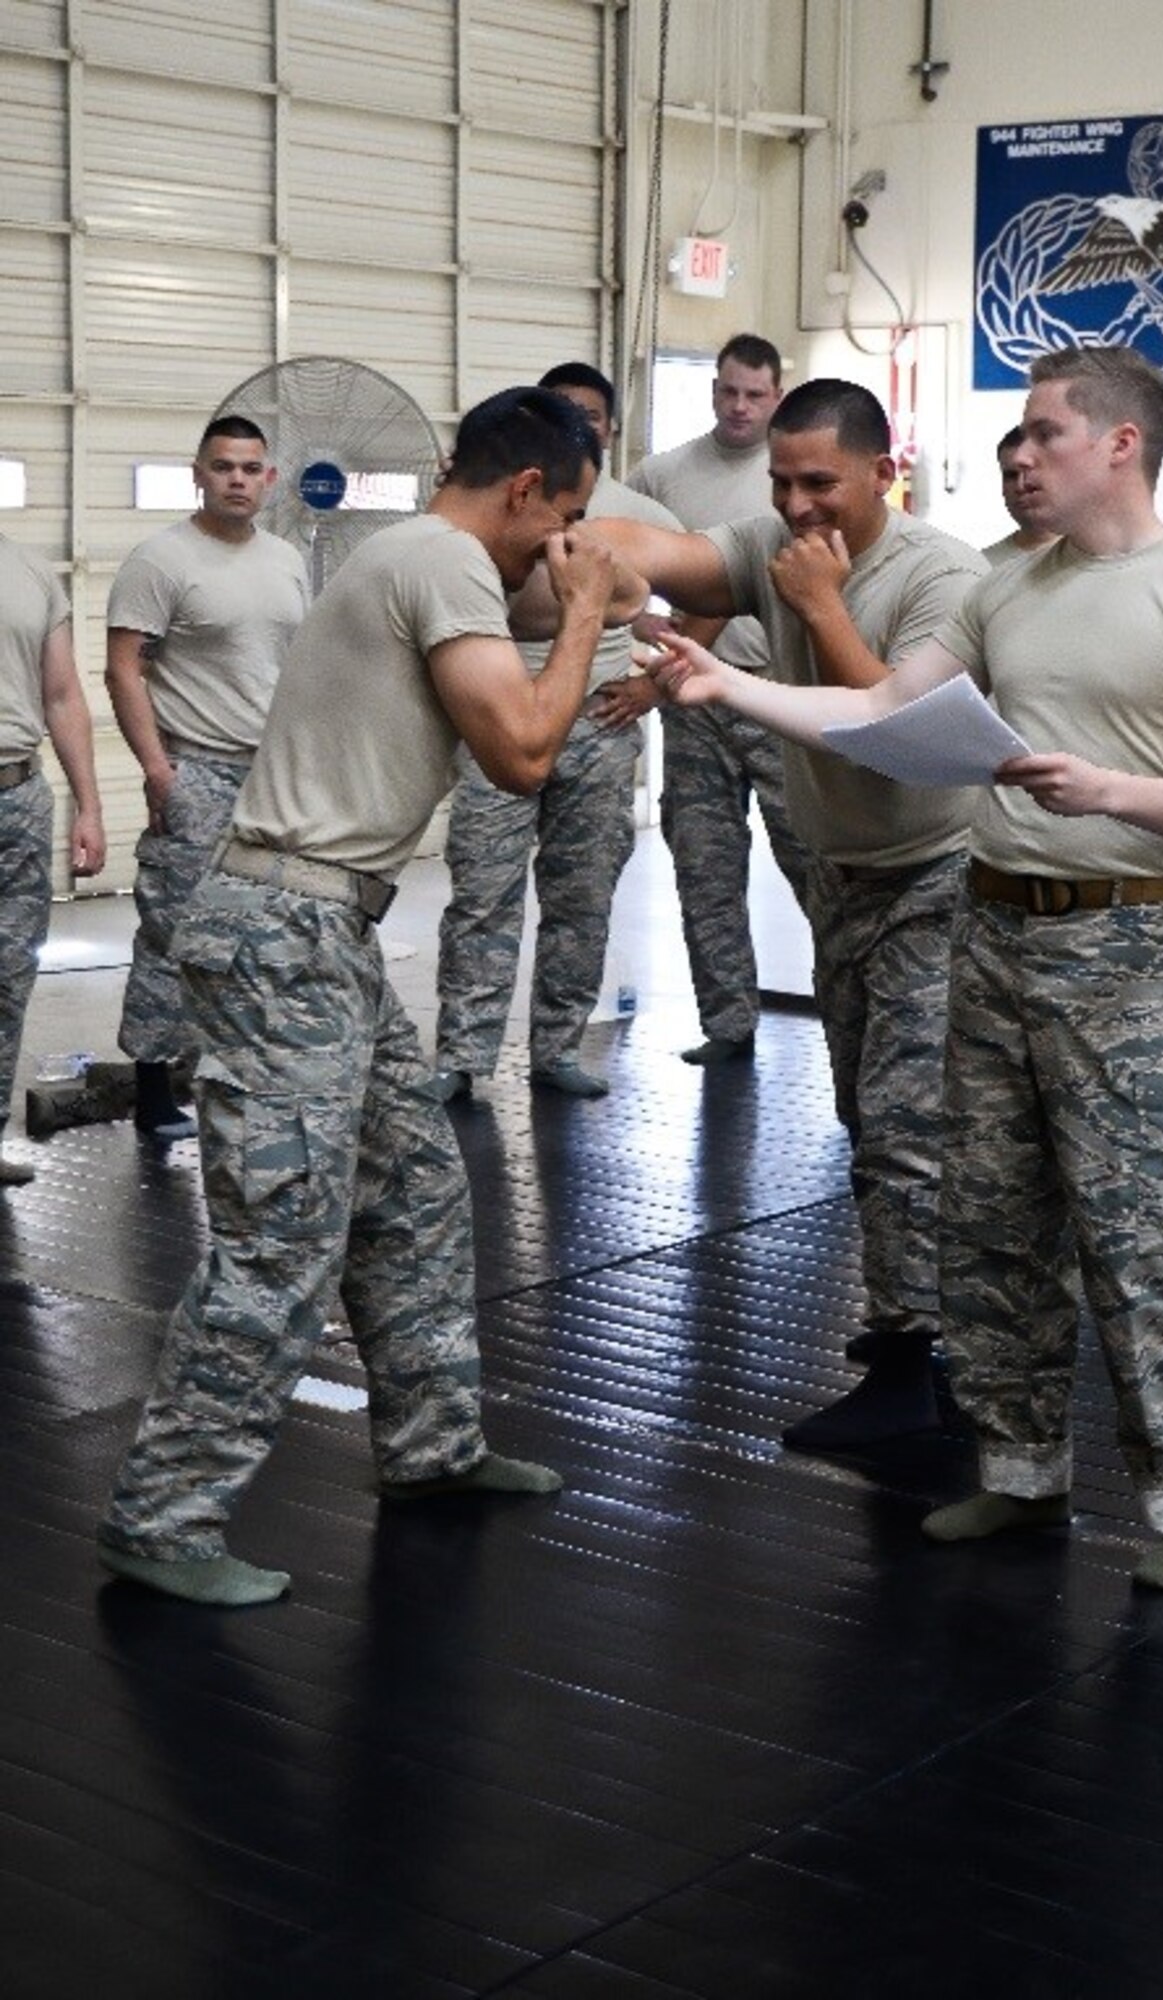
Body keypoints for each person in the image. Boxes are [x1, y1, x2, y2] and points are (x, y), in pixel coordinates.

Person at [648, 345, 1163, 1591]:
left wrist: (1114, 789)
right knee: (989, 1219)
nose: (1019, 455)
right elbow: (881, 707)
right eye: (1020, 436)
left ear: (1117, 444)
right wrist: (725, 681)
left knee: (1148, 1235)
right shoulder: (1002, 587)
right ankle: (1016, 1469)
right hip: (989, 933)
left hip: (1125, 945)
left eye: (1043, 433)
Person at [96, 386, 640, 1607]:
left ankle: (433, 1446)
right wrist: (593, 607)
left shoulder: (416, 556)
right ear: (521, 493)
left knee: (413, 1184)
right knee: (280, 1240)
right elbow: (523, 750)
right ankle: (162, 1517)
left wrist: (607, 586)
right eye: (557, 520)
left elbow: (606, 595)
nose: (553, 550)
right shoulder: (444, 560)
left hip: (319, 926)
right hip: (282, 929)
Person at [590, 378, 988, 1450]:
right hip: (841, 874)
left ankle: (925, 1363)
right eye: (782, 480)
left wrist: (814, 604)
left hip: (934, 875)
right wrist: (564, 514)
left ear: (878, 470)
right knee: (867, 1115)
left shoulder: (938, 573)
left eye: (821, 482)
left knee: (907, 1128)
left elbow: (890, 727)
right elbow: (662, 552)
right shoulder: (772, 534)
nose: (799, 504)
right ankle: (915, 1317)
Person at [435, 363, 681, 1101]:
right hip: (505, 714)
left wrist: (651, 686)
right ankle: (462, 1054)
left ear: (608, 426)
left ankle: (559, 1047)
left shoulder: (635, 516)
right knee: (483, 889)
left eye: (592, 414)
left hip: (599, 723)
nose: (583, 423)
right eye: (564, 411)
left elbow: (712, 595)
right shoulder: (502, 510)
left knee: (582, 898)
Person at [106, 416, 310, 1140]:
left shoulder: (286, 559)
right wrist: (158, 770)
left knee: (267, 936)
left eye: (251, 468)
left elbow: (293, 666)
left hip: (272, 776)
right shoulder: (162, 561)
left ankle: (245, 1080)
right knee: (175, 934)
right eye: (223, 466)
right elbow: (123, 667)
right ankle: (156, 1092)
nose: (237, 480)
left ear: (270, 479)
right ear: (198, 473)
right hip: (196, 767)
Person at [624, 333, 813, 1065]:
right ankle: (728, 1023)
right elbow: (614, 560)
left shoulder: (791, 477)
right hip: (694, 709)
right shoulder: (663, 475)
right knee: (704, 869)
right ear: (712, 391)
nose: (740, 407)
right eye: (729, 392)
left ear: (776, 397)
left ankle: (853, 1006)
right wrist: (642, 621)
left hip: (776, 699)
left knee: (815, 864)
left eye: (755, 395)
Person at [0, 536, 106, 1182]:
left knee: (8, 981)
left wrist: (89, 807)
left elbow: (63, 696)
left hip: (18, 798)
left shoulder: (32, 572)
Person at [981, 425, 1058, 567]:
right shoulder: (982, 567)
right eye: (1011, 475)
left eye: (1031, 473)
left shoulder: (1097, 559)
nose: (1020, 486)